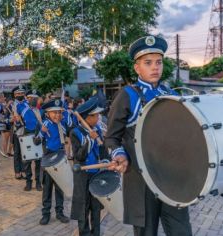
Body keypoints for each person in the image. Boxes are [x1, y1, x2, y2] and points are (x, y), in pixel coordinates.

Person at [105, 35, 192, 236]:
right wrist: (119, 154)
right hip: (141, 179)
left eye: (159, 62)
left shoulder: (171, 94)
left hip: (171, 179)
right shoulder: (127, 95)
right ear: (137, 68)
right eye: (148, 63)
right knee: (146, 232)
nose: (155, 67)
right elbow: (111, 137)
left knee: (181, 230)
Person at [70, 97, 105, 236]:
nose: (98, 117)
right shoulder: (75, 132)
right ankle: (84, 233)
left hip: (96, 174)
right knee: (83, 206)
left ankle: (96, 232)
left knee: (96, 207)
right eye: (95, 115)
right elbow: (79, 156)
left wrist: (105, 160)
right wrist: (90, 139)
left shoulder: (97, 129)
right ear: (86, 118)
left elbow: (102, 150)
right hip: (83, 175)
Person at [35, 99, 70, 225]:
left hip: (60, 158)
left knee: (60, 187)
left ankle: (60, 212)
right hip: (48, 159)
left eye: (60, 112)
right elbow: (36, 141)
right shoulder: (45, 124)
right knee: (47, 189)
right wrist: (41, 132)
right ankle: (45, 214)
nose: (57, 115)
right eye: (54, 113)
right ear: (48, 114)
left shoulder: (63, 124)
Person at [24, 89, 43, 191]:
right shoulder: (23, 110)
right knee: (27, 162)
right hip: (27, 136)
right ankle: (28, 182)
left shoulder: (41, 111)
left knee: (38, 161)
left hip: (37, 137)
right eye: (31, 98)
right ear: (28, 99)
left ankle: (38, 182)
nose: (33, 100)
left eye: (35, 98)